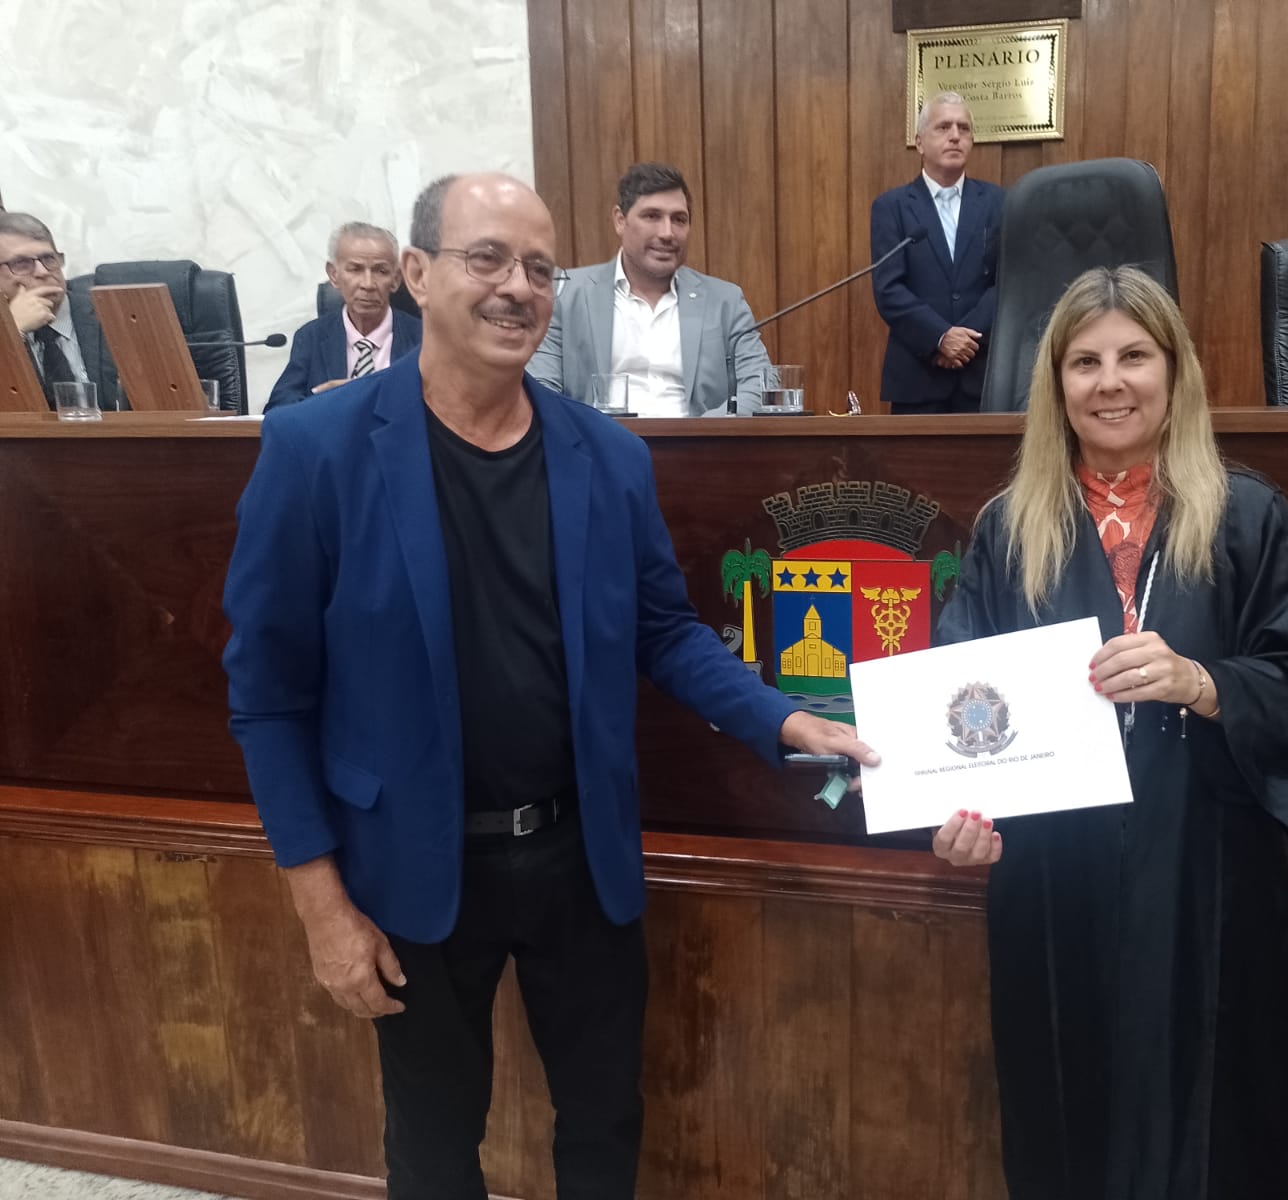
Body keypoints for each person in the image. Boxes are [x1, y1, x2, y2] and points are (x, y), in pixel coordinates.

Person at [223, 172, 875, 1199]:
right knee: (433, 1148)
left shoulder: (606, 455)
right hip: (413, 867)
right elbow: (268, 696)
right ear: (418, 274)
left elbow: (664, 630)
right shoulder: (317, 450)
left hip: (580, 856)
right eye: (487, 258)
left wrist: (784, 718)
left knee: (604, 1125)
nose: (518, 287)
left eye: (539, 267)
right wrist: (320, 905)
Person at [930, 266, 1288, 1199]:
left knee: (1217, 1127)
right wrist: (961, 817)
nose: (1110, 382)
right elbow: (958, 709)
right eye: (1084, 362)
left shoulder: (1245, 516)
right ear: (1055, 385)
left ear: (1175, 372)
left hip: (1206, 877)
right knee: (1063, 1117)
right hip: (1054, 881)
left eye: (1134, 356)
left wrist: (1204, 683)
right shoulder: (1009, 530)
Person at [530, 162, 770, 416]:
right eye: (652, 216)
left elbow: (760, 383)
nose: (667, 233)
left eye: (679, 219)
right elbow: (541, 387)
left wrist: (708, 430)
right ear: (620, 220)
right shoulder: (565, 294)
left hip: (701, 438)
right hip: (598, 438)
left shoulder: (725, 301)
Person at [869, 92, 1004, 414]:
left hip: (982, 375)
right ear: (919, 142)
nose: (955, 136)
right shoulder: (892, 207)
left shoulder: (999, 202)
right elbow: (889, 289)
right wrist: (940, 337)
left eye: (963, 128)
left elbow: (1008, 282)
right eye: (943, 127)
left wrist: (966, 341)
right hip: (917, 377)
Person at [264, 221, 421, 411]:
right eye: (355, 269)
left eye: (381, 271)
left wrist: (378, 396)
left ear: (396, 279)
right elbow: (278, 409)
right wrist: (326, 400)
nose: (368, 284)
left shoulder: (424, 340)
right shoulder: (312, 337)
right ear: (334, 275)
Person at [0, 212, 115, 408]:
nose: (43, 271)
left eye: (48, 258)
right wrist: (12, 333)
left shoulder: (112, 317)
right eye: (21, 263)